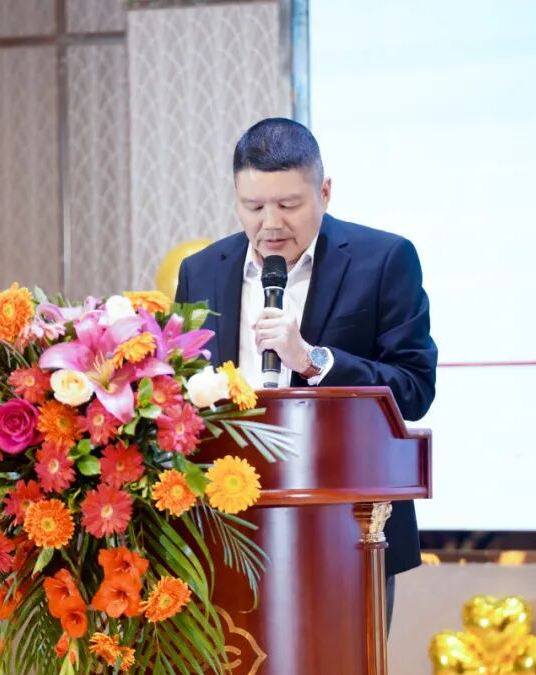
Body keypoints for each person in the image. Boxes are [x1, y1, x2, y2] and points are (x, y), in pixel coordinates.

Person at [174, 117, 437, 621]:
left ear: (325, 192)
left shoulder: (384, 260)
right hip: (225, 533)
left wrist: (313, 360)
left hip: (350, 532)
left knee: (342, 673)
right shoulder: (201, 270)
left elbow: (414, 387)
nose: (270, 224)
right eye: (253, 207)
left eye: (289, 205)